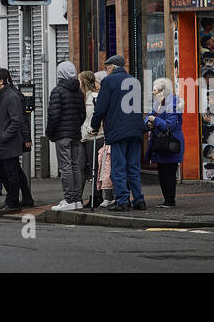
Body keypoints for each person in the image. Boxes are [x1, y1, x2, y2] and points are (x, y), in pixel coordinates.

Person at [89, 54, 145, 212]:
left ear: (113, 67)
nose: (106, 70)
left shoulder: (108, 81)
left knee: (118, 167)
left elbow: (100, 108)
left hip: (118, 130)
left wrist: (94, 126)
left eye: (107, 67)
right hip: (135, 130)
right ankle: (139, 200)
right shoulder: (134, 80)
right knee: (133, 166)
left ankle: (122, 201)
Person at [0, 67, 34, 214]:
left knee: (11, 173)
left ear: (1, 81)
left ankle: (13, 202)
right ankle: (13, 200)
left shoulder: (11, 96)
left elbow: (17, 121)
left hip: (8, 142)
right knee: (2, 172)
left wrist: (3, 136)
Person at [45, 60, 86, 211]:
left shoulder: (58, 91)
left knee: (66, 166)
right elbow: (82, 114)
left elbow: (53, 115)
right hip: (75, 132)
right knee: (75, 165)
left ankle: (69, 199)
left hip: (62, 134)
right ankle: (77, 199)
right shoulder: (78, 91)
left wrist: (50, 132)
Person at [146, 77, 185, 207]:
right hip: (161, 145)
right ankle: (167, 200)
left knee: (168, 174)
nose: (153, 93)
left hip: (170, 144)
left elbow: (170, 125)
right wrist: (149, 122)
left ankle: (170, 200)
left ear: (163, 91)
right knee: (163, 174)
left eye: (155, 90)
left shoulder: (172, 104)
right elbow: (148, 116)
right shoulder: (159, 103)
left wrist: (154, 120)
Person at [78, 70, 107, 207]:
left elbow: (98, 116)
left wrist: (95, 129)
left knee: (95, 168)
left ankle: (96, 196)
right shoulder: (82, 97)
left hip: (95, 136)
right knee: (81, 166)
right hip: (83, 136)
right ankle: (77, 196)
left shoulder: (95, 97)